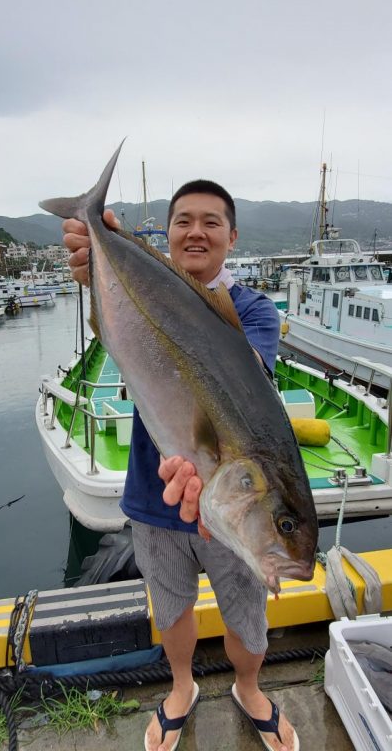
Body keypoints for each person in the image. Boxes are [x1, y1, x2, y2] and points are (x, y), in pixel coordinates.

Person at [63, 180, 297, 751]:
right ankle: (182, 686)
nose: (197, 232)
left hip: (229, 513)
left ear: (232, 236)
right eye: (184, 221)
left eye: (211, 222)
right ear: (166, 235)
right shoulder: (135, 282)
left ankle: (250, 687)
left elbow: (249, 385)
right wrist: (99, 264)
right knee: (171, 610)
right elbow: (115, 330)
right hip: (152, 496)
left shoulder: (253, 311)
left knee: (248, 616)